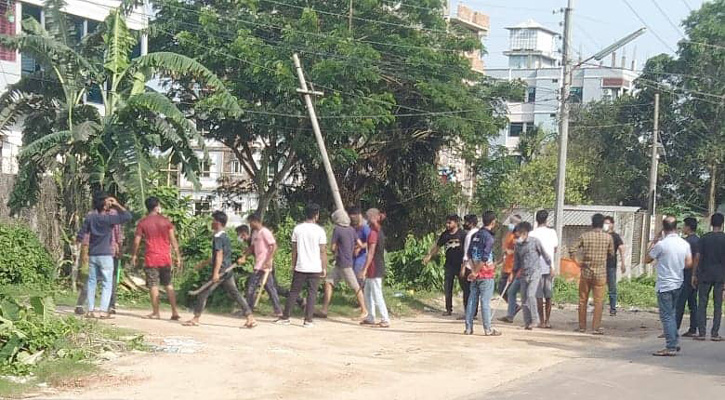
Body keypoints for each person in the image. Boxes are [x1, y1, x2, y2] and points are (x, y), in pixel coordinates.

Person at [183, 211, 256, 328]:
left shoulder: (218, 237)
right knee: (235, 294)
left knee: (203, 293)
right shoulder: (224, 236)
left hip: (221, 271)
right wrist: (203, 263)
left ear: (217, 222)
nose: (211, 223)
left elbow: (219, 255)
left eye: (212, 220)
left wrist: (216, 273)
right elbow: (217, 255)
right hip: (227, 270)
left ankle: (195, 318)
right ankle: (250, 317)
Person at [76, 194, 132, 319]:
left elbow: (81, 233)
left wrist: (78, 243)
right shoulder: (109, 219)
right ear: (104, 205)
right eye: (107, 202)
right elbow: (127, 216)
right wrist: (117, 205)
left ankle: (90, 310)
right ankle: (102, 311)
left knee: (92, 282)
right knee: (107, 283)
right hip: (106, 254)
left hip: (93, 254)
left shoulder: (91, 217)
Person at [646, 216, 692, 356]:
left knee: (666, 316)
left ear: (663, 228)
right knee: (672, 314)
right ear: (676, 227)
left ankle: (671, 345)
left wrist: (654, 241)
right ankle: (674, 341)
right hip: (678, 282)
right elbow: (689, 264)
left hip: (665, 284)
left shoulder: (661, 244)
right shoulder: (684, 244)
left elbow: (647, 259)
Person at [130, 197, 182, 320]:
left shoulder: (143, 223)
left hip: (151, 257)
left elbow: (136, 241)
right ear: (157, 206)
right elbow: (172, 239)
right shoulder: (166, 221)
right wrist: (177, 255)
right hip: (165, 258)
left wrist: (134, 255)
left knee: (153, 285)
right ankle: (174, 311)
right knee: (168, 284)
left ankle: (156, 312)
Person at [276, 204, 327, 328]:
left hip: (301, 265)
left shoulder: (298, 229)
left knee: (293, 292)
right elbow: (323, 251)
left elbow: (294, 250)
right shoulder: (320, 230)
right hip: (315, 267)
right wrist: (324, 267)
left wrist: (293, 264)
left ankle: (286, 317)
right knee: (312, 293)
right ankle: (308, 320)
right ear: (316, 215)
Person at [569, 213, 614, 335]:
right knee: (599, 301)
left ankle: (582, 326)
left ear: (592, 223)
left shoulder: (585, 236)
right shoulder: (608, 238)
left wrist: (578, 262)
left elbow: (572, 249)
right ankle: (596, 327)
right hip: (601, 273)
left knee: (583, 299)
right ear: (602, 224)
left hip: (586, 272)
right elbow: (611, 253)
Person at [318, 209, 368, 319]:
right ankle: (324, 309)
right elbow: (359, 243)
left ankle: (364, 310)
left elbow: (333, 247)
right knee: (328, 282)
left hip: (344, 263)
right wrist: (352, 249)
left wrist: (335, 253)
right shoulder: (351, 230)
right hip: (343, 262)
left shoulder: (337, 230)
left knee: (355, 286)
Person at [238, 213, 282, 317]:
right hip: (258, 264)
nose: (250, 225)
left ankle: (248, 310)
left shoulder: (265, 232)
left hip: (264, 266)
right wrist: (244, 256)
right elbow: (252, 248)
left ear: (255, 221)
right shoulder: (255, 233)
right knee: (269, 288)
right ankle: (277, 310)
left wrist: (268, 260)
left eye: (250, 222)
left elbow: (274, 246)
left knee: (252, 287)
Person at [464, 211, 500, 336]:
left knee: (472, 300)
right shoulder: (489, 237)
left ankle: (468, 328)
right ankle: (488, 329)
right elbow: (485, 257)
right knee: (485, 302)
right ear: (493, 222)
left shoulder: (475, 235)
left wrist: (473, 270)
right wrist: (476, 271)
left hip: (475, 273)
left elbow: (469, 254)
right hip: (485, 274)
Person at [423, 215, 467, 317]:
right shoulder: (445, 235)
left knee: (465, 288)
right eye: (447, 223)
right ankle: (448, 309)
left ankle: (468, 310)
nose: (447, 225)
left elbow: (467, 250)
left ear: (456, 223)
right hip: (449, 265)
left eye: (449, 223)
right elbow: (437, 246)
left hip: (461, 265)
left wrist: (465, 266)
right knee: (447, 288)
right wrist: (429, 256)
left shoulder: (462, 234)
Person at [511, 222, 551, 330]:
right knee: (524, 298)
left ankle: (535, 320)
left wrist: (551, 266)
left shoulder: (535, 242)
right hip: (524, 274)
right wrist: (513, 273)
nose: (517, 236)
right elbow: (517, 261)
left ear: (525, 233)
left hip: (535, 272)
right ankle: (527, 322)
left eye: (519, 234)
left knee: (530, 295)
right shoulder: (518, 245)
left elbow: (544, 254)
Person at [694, 213, 725, 341]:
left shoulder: (704, 238)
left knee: (702, 303)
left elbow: (697, 257)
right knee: (718, 305)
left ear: (711, 223)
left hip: (705, 274)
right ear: (722, 223)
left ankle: (701, 333)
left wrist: (694, 274)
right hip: (720, 276)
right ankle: (715, 333)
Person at [359, 208, 390, 328]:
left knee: (377, 293)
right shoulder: (377, 231)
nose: (366, 220)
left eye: (368, 217)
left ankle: (385, 318)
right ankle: (371, 317)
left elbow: (371, 253)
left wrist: (364, 269)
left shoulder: (373, 233)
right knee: (368, 292)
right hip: (376, 265)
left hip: (375, 266)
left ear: (373, 218)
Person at [529, 210, 558, 328]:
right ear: (546, 220)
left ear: (536, 220)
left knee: (539, 296)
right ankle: (548, 321)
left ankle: (541, 321)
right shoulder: (552, 232)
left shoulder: (532, 234)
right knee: (549, 295)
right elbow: (555, 248)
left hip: (536, 267)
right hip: (549, 266)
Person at [675, 217, 699, 337]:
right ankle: (693, 328)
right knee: (693, 303)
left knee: (680, 303)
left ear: (688, 227)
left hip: (686, 275)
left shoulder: (686, 242)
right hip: (696, 276)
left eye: (684, 226)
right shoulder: (698, 240)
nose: (683, 228)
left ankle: (674, 329)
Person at [602, 216, 626, 317]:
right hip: (601, 264)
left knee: (612, 287)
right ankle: (599, 306)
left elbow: (621, 248)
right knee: (599, 286)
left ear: (612, 224)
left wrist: (623, 263)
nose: (605, 225)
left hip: (611, 264)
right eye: (604, 223)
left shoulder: (615, 236)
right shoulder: (601, 235)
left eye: (607, 223)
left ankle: (612, 308)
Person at [461, 214, 479, 318]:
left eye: (466, 222)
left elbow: (466, 253)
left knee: (467, 291)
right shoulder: (480, 233)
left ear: (471, 223)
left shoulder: (469, 235)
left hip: (469, 266)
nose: (464, 224)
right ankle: (474, 312)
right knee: (475, 290)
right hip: (478, 267)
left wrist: (463, 267)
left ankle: (468, 312)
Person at [349, 206, 371, 289]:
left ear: (359, 215)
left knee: (359, 273)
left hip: (363, 255)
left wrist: (360, 247)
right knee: (354, 275)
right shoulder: (353, 226)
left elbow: (370, 243)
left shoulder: (365, 227)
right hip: (354, 255)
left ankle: (364, 296)